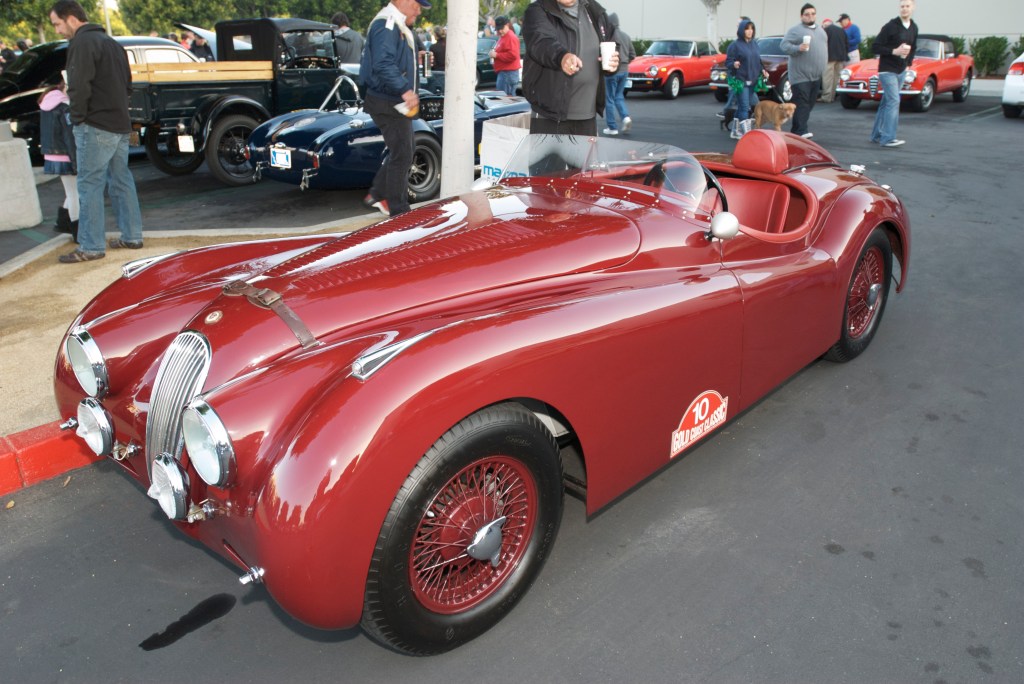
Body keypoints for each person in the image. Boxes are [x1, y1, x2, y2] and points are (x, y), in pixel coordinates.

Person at [49, 0, 143, 263]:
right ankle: (132, 236)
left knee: (89, 185)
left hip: (95, 124)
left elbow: (78, 86)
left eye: (57, 24)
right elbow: (128, 84)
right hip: (119, 123)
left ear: (71, 18)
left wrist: (77, 119)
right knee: (121, 180)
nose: (57, 30)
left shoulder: (81, 43)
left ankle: (91, 246)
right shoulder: (112, 44)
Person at [359, 0, 431, 218]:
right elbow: (382, 63)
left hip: (390, 100)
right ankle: (398, 211)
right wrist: (405, 90)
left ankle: (379, 194)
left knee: (403, 150)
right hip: (389, 101)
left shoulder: (394, 23)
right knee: (403, 154)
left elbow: (387, 59)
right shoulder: (387, 23)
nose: (419, 10)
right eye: (416, 4)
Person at [522, 0, 618, 136]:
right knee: (549, 152)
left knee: (586, 151)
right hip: (550, 116)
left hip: (587, 117)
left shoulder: (594, 10)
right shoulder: (538, 10)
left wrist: (613, 63)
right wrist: (562, 57)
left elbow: (611, 41)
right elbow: (541, 42)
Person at [871, 0, 918, 148]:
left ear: (913, 8)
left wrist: (908, 64)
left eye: (907, 6)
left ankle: (876, 135)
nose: (904, 9)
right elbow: (875, 46)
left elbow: (913, 47)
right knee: (894, 101)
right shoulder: (890, 26)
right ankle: (888, 138)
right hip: (887, 70)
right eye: (902, 6)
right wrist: (894, 51)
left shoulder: (913, 27)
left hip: (901, 70)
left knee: (886, 103)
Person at [39, 82, 79, 241]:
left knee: (71, 192)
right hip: (66, 155)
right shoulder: (64, 106)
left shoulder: (46, 103)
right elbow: (69, 137)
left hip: (52, 155)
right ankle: (78, 232)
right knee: (75, 194)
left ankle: (63, 223)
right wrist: (75, 161)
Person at [780, 3, 826, 138]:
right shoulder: (796, 30)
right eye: (807, 14)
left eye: (813, 13)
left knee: (809, 103)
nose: (810, 16)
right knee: (802, 103)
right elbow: (783, 45)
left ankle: (797, 131)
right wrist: (797, 48)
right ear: (801, 16)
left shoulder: (821, 31)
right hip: (800, 75)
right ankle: (801, 131)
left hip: (816, 76)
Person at [725, 18, 764, 139]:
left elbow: (758, 61)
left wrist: (763, 70)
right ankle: (746, 134)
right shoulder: (735, 45)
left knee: (742, 106)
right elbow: (728, 62)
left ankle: (735, 131)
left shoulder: (755, 44)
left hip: (753, 80)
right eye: (747, 29)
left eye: (752, 28)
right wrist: (734, 64)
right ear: (742, 30)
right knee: (745, 106)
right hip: (740, 80)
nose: (750, 31)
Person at [602, 12, 634, 136]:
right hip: (625, 71)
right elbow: (633, 55)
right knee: (619, 96)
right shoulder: (626, 36)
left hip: (612, 72)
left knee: (609, 99)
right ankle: (626, 118)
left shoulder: (608, 37)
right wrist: (625, 63)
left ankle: (612, 127)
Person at [490, 16, 521, 96]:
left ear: (507, 25)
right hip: (506, 73)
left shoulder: (510, 37)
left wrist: (497, 55)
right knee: (505, 98)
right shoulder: (504, 36)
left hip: (507, 73)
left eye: (501, 28)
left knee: (505, 99)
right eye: (498, 29)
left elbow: (513, 55)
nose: (500, 31)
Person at [820, 19, 848, 103]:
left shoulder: (825, 31)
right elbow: (846, 43)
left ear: (825, 25)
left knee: (827, 78)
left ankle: (826, 97)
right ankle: (832, 96)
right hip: (840, 57)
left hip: (829, 57)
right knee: (836, 78)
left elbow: (822, 44)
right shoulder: (841, 30)